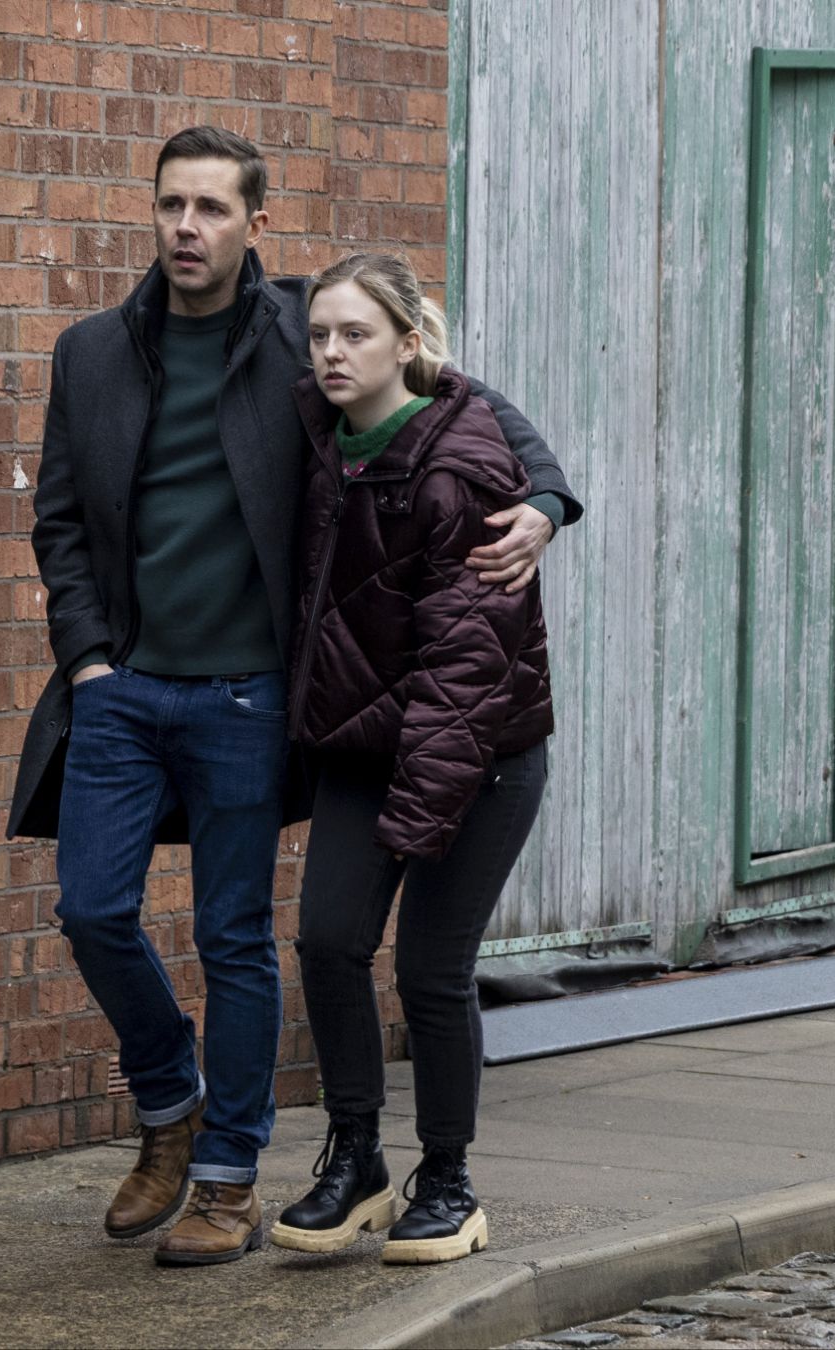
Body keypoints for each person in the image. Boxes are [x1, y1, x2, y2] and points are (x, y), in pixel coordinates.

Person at [12, 128, 582, 1267]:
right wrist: (86, 658)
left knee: (243, 937)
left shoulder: (302, 331)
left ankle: (231, 1176)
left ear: (254, 224)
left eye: (212, 208)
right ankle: (170, 1103)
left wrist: (550, 500)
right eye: (170, 205)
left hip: (252, 698)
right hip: (123, 688)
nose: (187, 228)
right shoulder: (91, 353)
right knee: (91, 910)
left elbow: (465, 402)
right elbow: (60, 520)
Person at [267, 252, 554, 1266]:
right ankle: (356, 1161)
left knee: (431, 969)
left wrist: (413, 827)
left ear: (407, 343)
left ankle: (448, 1179)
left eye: (356, 334)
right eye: (319, 335)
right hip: (368, 743)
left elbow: (466, 670)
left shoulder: (456, 469)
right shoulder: (320, 432)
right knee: (328, 942)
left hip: (479, 754)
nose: (332, 353)